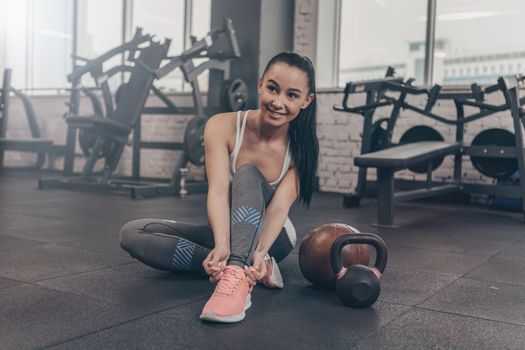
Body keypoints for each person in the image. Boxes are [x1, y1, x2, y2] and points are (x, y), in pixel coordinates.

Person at [119, 52, 318, 323]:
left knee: (248, 172)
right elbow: (218, 191)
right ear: (260, 84)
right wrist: (222, 245)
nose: (278, 102)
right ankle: (234, 267)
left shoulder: (301, 149)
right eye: (273, 88)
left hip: (275, 237)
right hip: (234, 231)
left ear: (306, 101)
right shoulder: (222, 125)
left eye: (291, 95)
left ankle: (238, 277)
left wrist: (259, 252)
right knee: (133, 233)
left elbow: (280, 208)